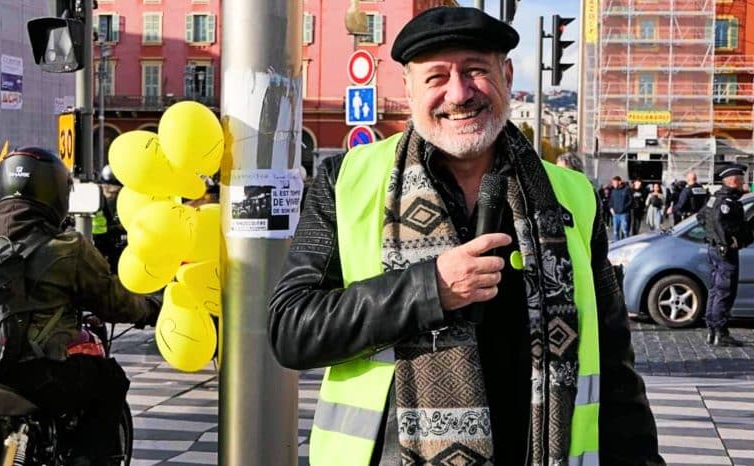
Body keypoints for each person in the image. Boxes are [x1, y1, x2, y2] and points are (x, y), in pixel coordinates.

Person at [268, 7, 663, 466]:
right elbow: (291, 328)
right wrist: (428, 288)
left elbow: (615, 368)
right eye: (436, 77)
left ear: (507, 75)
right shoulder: (345, 180)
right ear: (408, 88)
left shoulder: (573, 196)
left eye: (476, 70)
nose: (458, 93)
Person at [0, 147, 160, 466]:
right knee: (109, 379)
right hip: (36, 373)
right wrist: (150, 309)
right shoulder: (65, 248)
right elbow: (115, 301)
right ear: (54, 191)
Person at [697, 164, 753, 347]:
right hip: (724, 252)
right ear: (734, 180)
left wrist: (713, 237)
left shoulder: (716, 198)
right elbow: (722, 223)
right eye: (741, 179)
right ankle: (720, 332)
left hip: (715, 250)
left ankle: (713, 329)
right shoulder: (727, 201)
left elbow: (701, 217)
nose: (744, 182)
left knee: (716, 290)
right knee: (725, 291)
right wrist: (729, 241)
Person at [609, 175, 632, 241]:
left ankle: (627, 244)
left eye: (615, 182)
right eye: (613, 183)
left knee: (625, 231)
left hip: (624, 214)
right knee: (615, 232)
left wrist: (624, 208)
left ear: (619, 182)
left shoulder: (626, 189)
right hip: (615, 215)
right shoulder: (613, 191)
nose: (613, 184)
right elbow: (611, 201)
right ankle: (617, 245)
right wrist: (611, 208)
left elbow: (631, 200)